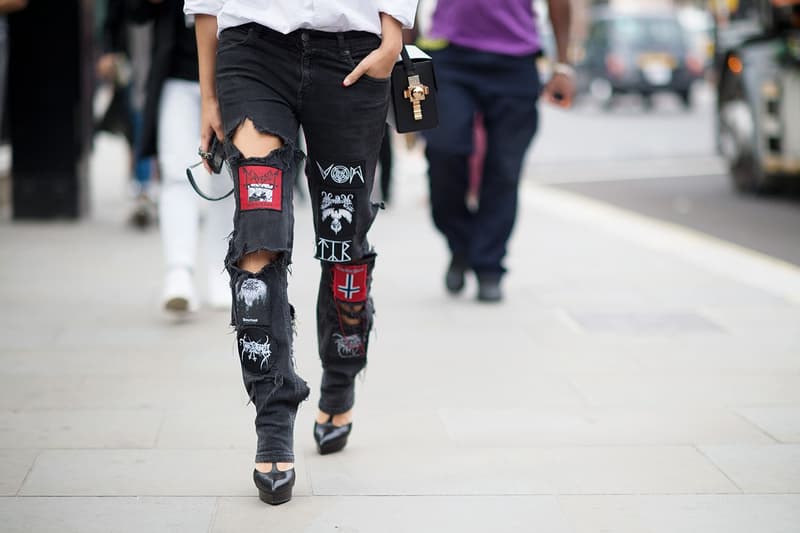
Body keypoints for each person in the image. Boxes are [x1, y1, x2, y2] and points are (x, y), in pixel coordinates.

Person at [184, 0, 417, 505]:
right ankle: (272, 413)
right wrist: (208, 96)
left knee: (343, 246)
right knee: (257, 238)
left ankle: (341, 368)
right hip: (252, 51)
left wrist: (393, 37)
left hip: (353, 57)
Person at [422, 0, 575, 302]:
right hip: (449, 54)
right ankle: (461, 244)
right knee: (444, 152)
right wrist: (400, 48)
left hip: (515, 60)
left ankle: (488, 265)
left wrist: (563, 65)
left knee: (504, 168)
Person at [128, 0, 233, 314]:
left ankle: (222, 271)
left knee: (227, 178)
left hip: (234, 73)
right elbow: (134, 11)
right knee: (176, 173)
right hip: (176, 73)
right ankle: (179, 271)